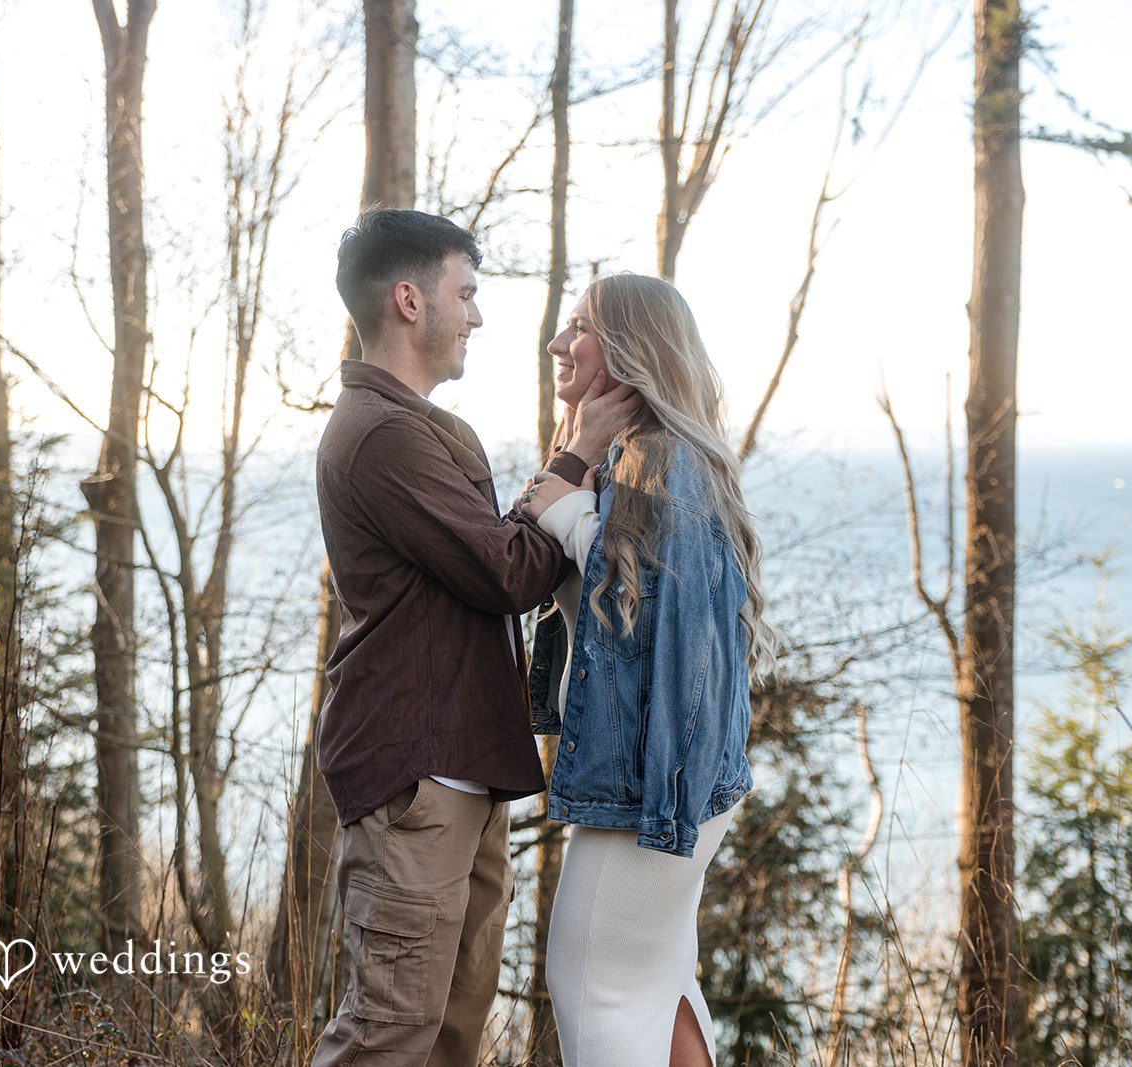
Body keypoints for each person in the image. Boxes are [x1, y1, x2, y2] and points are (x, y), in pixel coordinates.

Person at [310, 208, 640, 1066]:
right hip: (415, 775)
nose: (479, 315)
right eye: (468, 293)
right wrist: (574, 454)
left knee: (453, 1030)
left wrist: (570, 464)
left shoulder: (418, 427)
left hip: (457, 774)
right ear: (410, 301)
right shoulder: (383, 434)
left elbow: (485, 556)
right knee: (388, 1033)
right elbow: (506, 572)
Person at [517, 273, 780, 1067]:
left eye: (580, 327)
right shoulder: (636, 456)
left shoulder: (663, 461)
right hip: (660, 785)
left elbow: (677, 626)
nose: (560, 343)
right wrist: (573, 479)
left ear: (631, 350)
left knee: (595, 991)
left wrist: (565, 509)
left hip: (653, 791)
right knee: (657, 985)